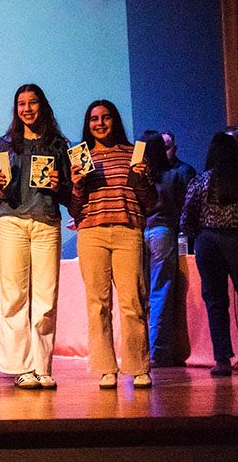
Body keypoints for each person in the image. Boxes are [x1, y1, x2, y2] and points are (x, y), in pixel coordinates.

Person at [69, 100, 155, 389]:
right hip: (91, 233)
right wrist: (77, 185)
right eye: (94, 119)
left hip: (127, 230)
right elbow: (74, 209)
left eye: (105, 118)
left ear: (114, 120)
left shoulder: (134, 154)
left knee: (133, 301)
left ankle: (138, 366)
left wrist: (142, 179)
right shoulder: (81, 158)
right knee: (98, 304)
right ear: (88, 124)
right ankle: (106, 368)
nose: (100, 123)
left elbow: (150, 201)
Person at [0, 84, 71, 389]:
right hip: (12, 222)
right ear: (16, 109)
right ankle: (21, 367)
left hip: (46, 222)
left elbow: (69, 194)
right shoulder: (4, 144)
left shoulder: (59, 145)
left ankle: (42, 366)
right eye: (21, 104)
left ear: (42, 106)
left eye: (32, 103)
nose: (27, 109)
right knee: (14, 296)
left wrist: (59, 185)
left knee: (46, 298)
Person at [180, 132, 238, 376]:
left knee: (216, 301)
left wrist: (195, 235)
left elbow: (187, 217)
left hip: (208, 241)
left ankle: (222, 360)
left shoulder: (200, 181)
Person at [141, 130, 191, 368]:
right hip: (163, 233)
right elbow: (183, 209)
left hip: (140, 233)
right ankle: (159, 352)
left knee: (142, 294)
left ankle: (141, 351)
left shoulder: (138, 178)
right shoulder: (173, 176)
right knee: (160, 293)